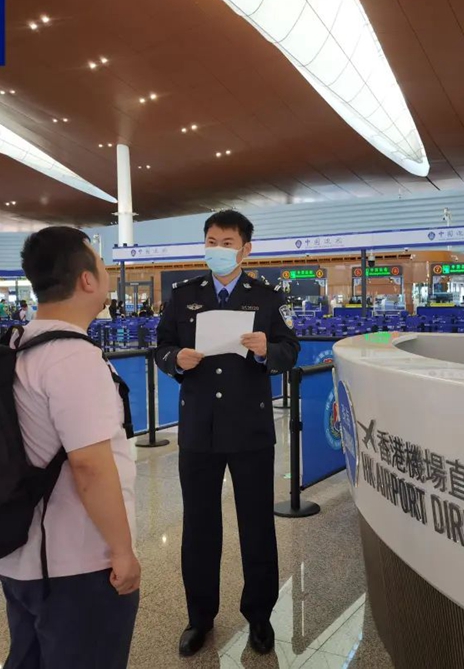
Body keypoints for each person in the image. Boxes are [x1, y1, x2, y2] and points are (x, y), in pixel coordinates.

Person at [0, 226, 140, 668]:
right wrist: (122, 551)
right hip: (76, 564)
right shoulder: (73, 357)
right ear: (87, 280)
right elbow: (90, 467)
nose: (106, 273)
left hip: (22, 558)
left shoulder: (20, 343)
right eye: (102, 265)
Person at [155, 210, 300, 657]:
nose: (217, 249)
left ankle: (259, 616)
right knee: (199, 527)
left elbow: (290, 350)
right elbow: (161, 346)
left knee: (257, 526)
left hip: (250, 429)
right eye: (211, 241)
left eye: (227, 242)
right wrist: (176, 360)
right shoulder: (183, 295)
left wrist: (266, 350)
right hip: (199, 429)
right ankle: (199, 617)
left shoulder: (267, 298)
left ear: (245, 249)